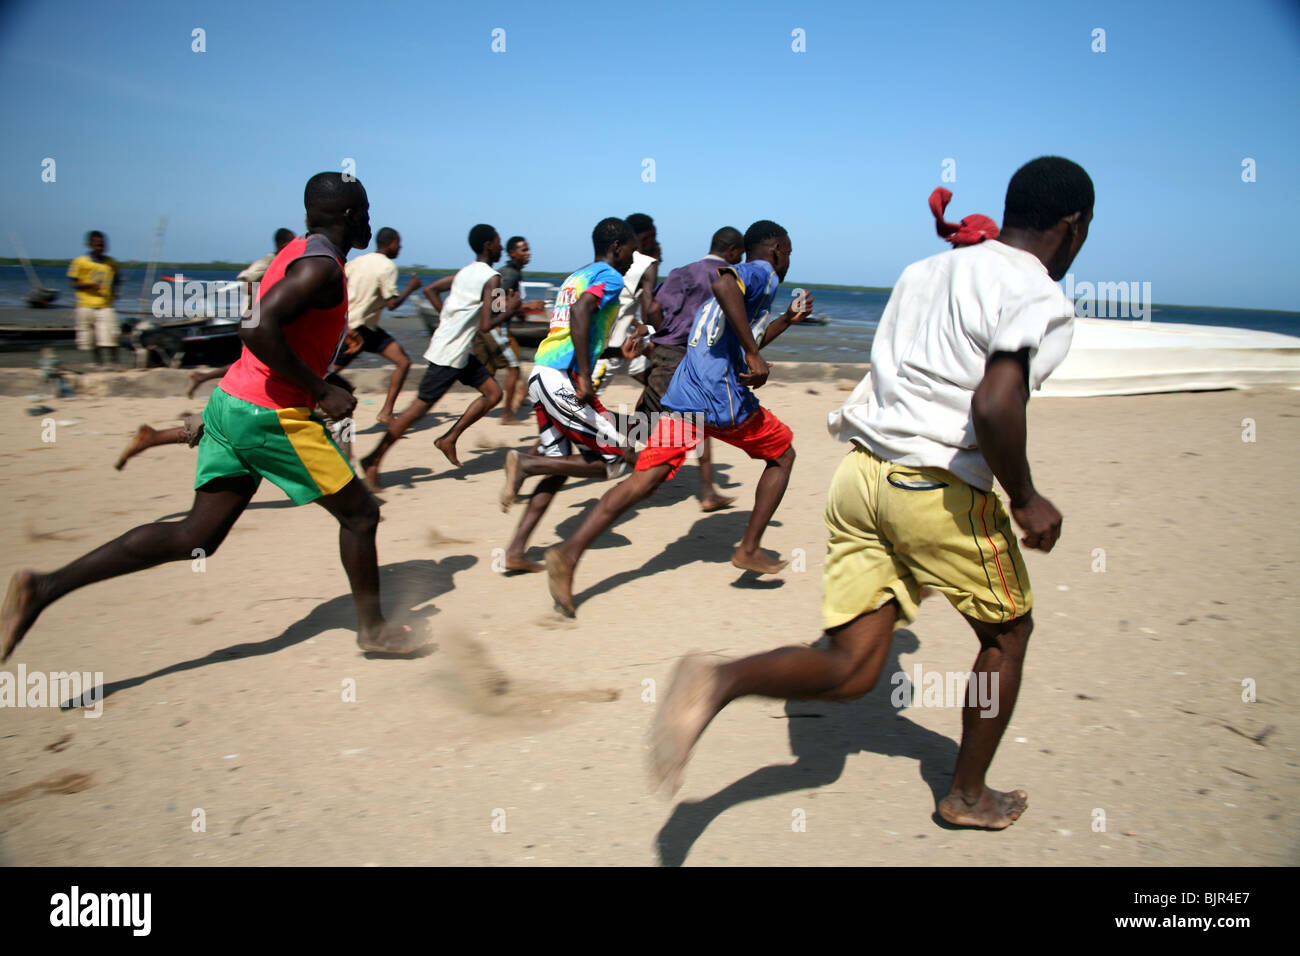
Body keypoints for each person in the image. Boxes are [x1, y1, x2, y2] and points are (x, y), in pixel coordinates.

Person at [649, 157, 1094, 832]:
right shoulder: (1040, 295)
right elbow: (996, 403)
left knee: (852, 668)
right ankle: (967, 796)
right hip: (934, 488)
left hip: (859, 478)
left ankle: (720, 681)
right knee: (1008, 633)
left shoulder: (927, 269)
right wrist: (1026, 498)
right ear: (1072, 227)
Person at [1, 172, 427, 662]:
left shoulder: (296, 253)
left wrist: (320, 372)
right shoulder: (324, 268)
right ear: (350, 215)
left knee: (194, 536)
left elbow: (273, 326)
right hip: (272, 415)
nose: (370, 218)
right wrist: (319, 388)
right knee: (361, 515)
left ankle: (45, 586)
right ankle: (373, 631)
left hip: (231, 405)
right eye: (366, 209)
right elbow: (256, 324)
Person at [544, 220, 811, 616]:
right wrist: (754, 357)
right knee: (783, 454)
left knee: (644, 479)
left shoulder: (750, 284)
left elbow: (740, 338)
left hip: (686, 390)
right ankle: (749, 548)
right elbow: (724, 287)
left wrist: (785, 320)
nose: (788, 261)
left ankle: (568, 554)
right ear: (776, 249)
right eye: (788, 252)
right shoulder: (762, 273)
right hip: (718, 395)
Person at [497, 218, 639, 573]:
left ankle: (515, 551)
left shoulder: (576, 277)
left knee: (557, 465)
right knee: (617, 457)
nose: (633, 259)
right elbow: (580, 313)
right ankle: (525, 463)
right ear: (617, 246)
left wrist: (616, 354)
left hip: (543, 374)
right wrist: (586, 380)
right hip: (562, 379)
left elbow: (572, 334)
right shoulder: (609, 277)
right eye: (631, 251)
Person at [358, 224, 509, 489]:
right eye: (498, 242)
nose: (501, 247)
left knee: (494, 393)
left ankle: (448, 438)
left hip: (457, 349)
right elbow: (489, 323)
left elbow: (430, 290)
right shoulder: (492, 277)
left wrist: (448, 320)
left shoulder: (465, 272)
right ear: (487, 245)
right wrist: (516, 306)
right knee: (415, 411)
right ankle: (373, 460)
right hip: (449, 354)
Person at [637, 226, 746, 511]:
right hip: (692, 357)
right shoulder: (732, 279)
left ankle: (618, 457)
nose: (740, 261)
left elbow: (652, 310)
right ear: (733, 251)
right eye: (740, 255)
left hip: (668, 353)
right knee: (695, 421)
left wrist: (663, 336)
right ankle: (609, 459)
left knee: (655, 415)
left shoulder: (683, 272)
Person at [185, 229, 296, 399]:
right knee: (252, 363)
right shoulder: (268, 261)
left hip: (265, 320)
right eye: (291, 243)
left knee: (253, 362)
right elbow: (245, 282)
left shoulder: (282, 261)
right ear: (282, 244)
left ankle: (204, 378)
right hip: (255, 319)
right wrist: (267, 294)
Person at [331, 227, 423, 424]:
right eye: (398, 243)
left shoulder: (358, 261)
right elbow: (392, 304)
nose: (400, 247)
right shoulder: (387, 267)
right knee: (327, 373)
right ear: (389, 244)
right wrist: (411, 288)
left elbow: (340, 283)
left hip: (359, 326)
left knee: (404, 362)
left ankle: (386, 413)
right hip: (357, 330)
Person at [594, 213, 660, 389]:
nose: (654, 243)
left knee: (658, 385)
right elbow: (650, 310)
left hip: (622, 346)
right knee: (582, 409)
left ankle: (647, 414)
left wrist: (635, 322)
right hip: (610, 352)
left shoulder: (610, 263)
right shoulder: (647, 264)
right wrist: (655, 330)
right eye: (652, 238)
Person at [490, 236, 543, 423]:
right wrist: (528, 307)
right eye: (523, 250)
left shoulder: (513, 273)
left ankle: (516, 398)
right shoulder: (510, 274)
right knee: (513, 368)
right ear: (512, 253)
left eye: (528, 249)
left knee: (496, 368)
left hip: (496, 327)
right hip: (496, 328)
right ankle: (506, 414)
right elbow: (497, 303)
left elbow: (507, 303)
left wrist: (519, 311)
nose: (528, 253)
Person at [67, 231, 121, 368]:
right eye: (98, 245)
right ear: (90, 245)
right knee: (92, 338)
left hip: (105, 304)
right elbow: (74, 283)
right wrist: (90, 285)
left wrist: (114, 293)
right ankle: (99, 362)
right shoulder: (80, 262)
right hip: (86, 304)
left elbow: (117, 280)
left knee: (111, 335)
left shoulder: (111, 263)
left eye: (103, 245)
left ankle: (114, 362)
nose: (100, 248)